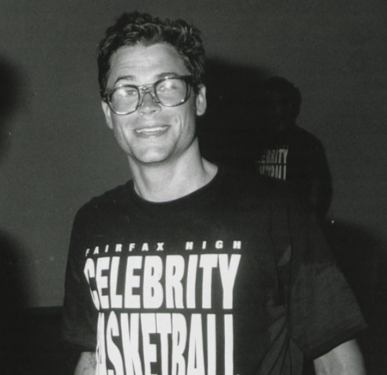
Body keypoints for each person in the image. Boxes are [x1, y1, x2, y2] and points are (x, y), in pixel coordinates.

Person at [62, 11, 366, 375]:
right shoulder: (93, 221)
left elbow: (335, 357)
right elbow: (95, 357)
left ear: (199, 99)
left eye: (167, 85)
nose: (147, 105)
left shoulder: (274, 211)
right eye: (127, 90)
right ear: (109, 112)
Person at [255, 76, 333, 223]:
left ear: (290, 106)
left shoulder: (307, 144)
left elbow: (320, 189)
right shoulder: (252, 142)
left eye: (274, 102)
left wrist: (308, 226)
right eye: (265, 102)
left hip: (294, 227)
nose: (268, 108)